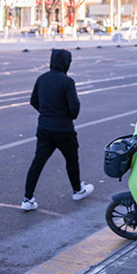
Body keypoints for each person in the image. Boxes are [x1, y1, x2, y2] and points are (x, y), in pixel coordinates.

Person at [21, 49, 94, 211]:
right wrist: (66, 115)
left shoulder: (41, 79)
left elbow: (33, 100)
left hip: (45, 127)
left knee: (38, 162)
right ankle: (77, 189)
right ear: (65, 63)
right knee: (71, 159)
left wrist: (46, 113)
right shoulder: (67, 82)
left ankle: (28, 198)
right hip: (63, 129)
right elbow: (74, 108)